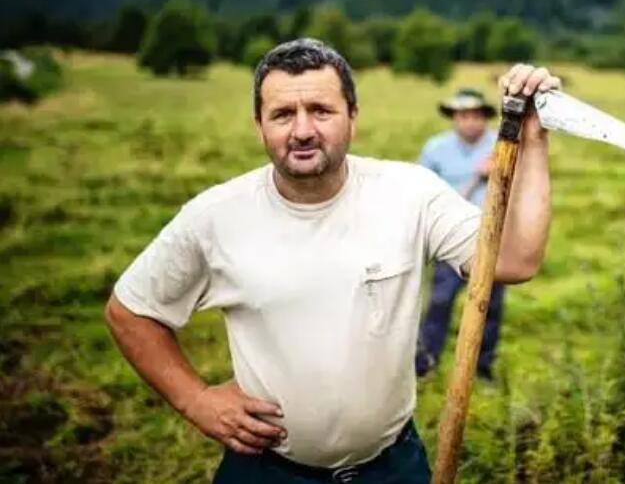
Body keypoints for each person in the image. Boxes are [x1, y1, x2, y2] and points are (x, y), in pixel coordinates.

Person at [104, 38, 561, 483]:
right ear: (259, 125)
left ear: (352, 118)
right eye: (282, 114)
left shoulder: (409, 194)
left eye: (321, 111)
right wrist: (196, 399)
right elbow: (130, 311)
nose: (302, 130)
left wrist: (534, 140)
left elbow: (514, 260)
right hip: (267, 471)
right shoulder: (216, 216)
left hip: (393, 466)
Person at [415, 88, 503, 381]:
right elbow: (421, 193)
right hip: (449, 236)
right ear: (454, 118)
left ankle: (482, 369)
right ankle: (426, 364)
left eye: (476, 116)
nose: (470, 122)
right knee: (440, 301)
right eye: (463, 116)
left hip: (492, 236)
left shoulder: (501, 146)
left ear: (485, 118)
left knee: (490, 305)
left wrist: (498, 173)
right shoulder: (435, 148)